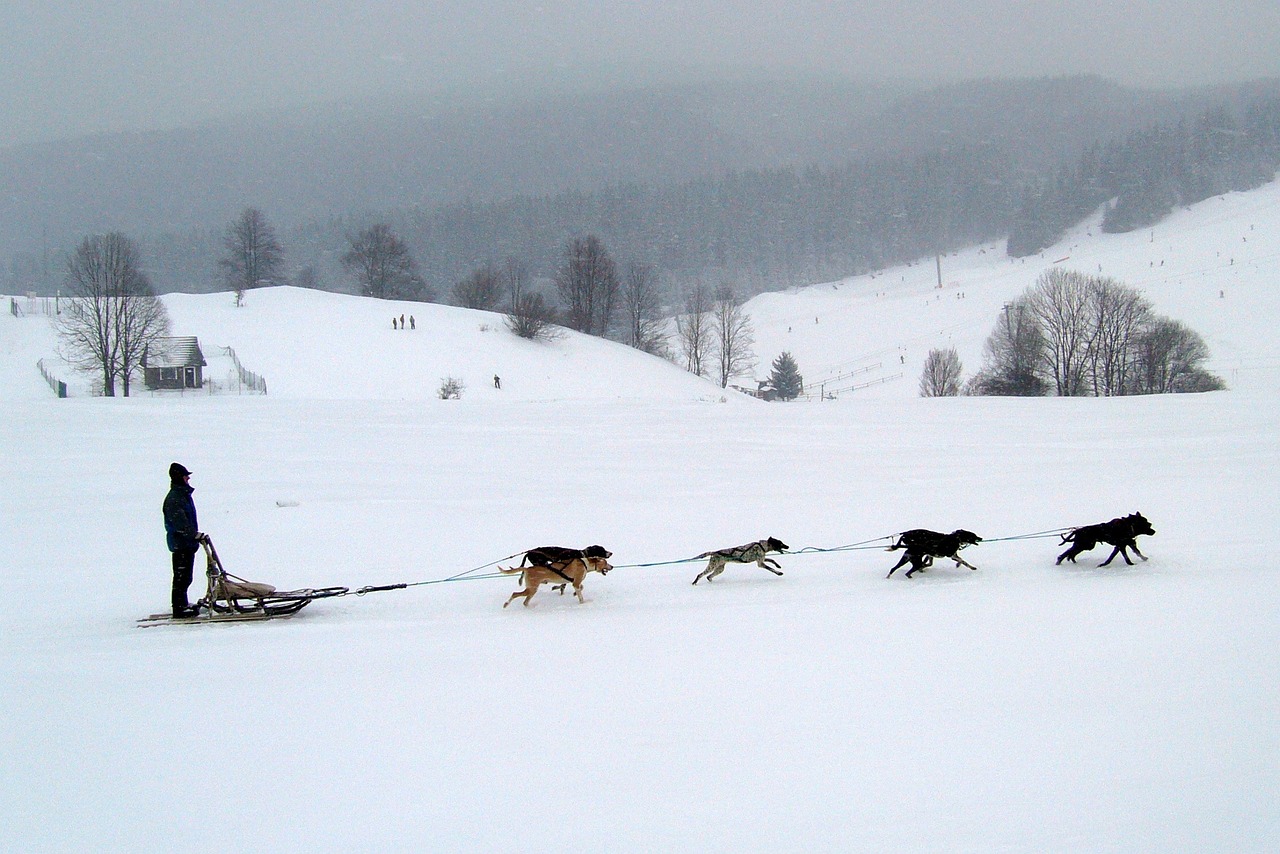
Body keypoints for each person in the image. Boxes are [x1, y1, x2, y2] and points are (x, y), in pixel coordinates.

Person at [163, 462, 205, 617]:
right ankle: (179, 607)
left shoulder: (182, 495)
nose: (188, 478)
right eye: (186, 475)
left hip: (186, 543)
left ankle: (182, 603)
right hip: (181, 544)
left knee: (185, 576)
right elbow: (180, 523)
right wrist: (193, 534)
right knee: (181, 577)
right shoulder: (175, 498)